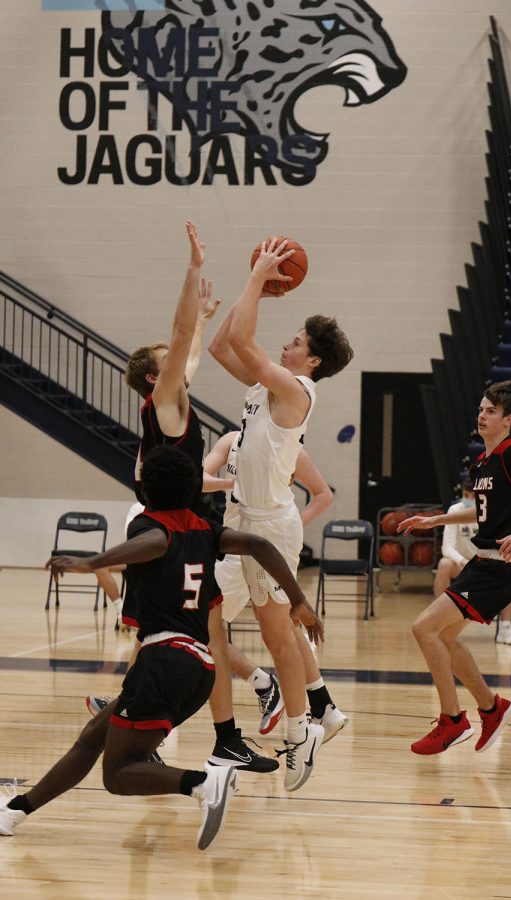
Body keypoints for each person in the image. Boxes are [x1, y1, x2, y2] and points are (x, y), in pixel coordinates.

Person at [0, 447, 322, 846]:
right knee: (92, 737)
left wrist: (91, 563)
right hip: (199, 669)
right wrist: (298, 599)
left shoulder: (149, 524)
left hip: (163, 661)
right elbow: (261, 546)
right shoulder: (207, 529)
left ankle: (204, 784)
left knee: (118, 774)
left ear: (145, 490)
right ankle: (17, 809)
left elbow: (155, 542)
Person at [119, 221, 276, 774]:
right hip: (171, 529)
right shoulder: (164, 402)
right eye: (172, 359)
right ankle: (142, 718)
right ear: (152, 375)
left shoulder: (171, 398)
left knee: (201, 629)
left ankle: (215, 733)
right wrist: (192, 274)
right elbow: (181, 338)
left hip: (180, 523)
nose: (183, 361)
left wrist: (204, 318)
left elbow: (187, 354)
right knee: (186, 632)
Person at [208, 237, 354, 790]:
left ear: (311, 360)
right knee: (213, 621)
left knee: (277, 635)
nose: (285, 346)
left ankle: (302, 731)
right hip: (241, 523)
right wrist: (260, 293)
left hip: (268, 526)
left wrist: (257, 279)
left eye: (294, 343)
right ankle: (316, 712)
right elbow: (227, 344)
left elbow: (242, 338)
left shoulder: (297, 390)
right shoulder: (265, 389)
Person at [397, 380, 511, 755]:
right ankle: (493, 709)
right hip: (483, 562)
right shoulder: (482, 463)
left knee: (423, 627)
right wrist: (437, 521)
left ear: (508, 420)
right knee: (444, 637)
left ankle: (453, 721)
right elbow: (482, 513)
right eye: (480, 409)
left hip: (502, 567)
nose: (482, 415)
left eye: (490, 411)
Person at [203, 430, 334, 735]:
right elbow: (201, 477)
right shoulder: (230, 442)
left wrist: (293, 524)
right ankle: (322, 704)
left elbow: (324, 494)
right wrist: (228, 483)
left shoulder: (289, 450)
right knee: (280, 625)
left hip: (259, 547)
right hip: (236, 545)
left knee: (204, 627)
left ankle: (282, 700)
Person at [434, 479, 511, 646]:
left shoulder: (493, 513)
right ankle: (440, 621)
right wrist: (462, 561)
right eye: (465, 495)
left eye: (472, 496)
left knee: (508, 567)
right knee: (444, 564)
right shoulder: (455, 510)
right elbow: (447, 547)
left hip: (486, 563)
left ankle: (506, 628)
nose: (468, 499)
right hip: (462, 564)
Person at [94, 501, 144, 632]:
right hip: (134, 555)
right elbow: (131, 534)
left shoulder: (167, 508)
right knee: (100, 564)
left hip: (157, 557)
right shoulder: (137, 508)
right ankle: (121, 611)